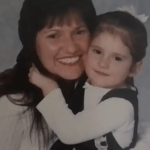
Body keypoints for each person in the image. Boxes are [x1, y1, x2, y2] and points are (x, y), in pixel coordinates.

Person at [29, 11, 148, 150]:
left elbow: (70, 133)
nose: (103, 64)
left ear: (134, 68)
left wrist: (49, 87)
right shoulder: (88, 82)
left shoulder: (119, 106)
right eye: (97, 51)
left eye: (117, 58)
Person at [0, 0, 97, 149]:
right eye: (53, 36)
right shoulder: (12, 108)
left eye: (79, 32)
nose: (71, 48)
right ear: (32, 43)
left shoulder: (95, 94)